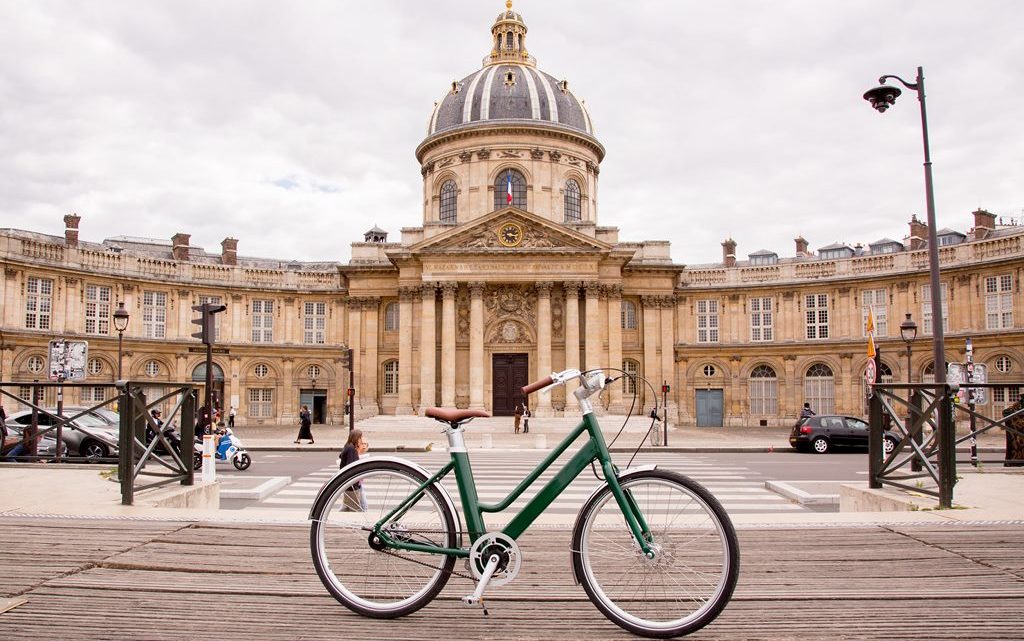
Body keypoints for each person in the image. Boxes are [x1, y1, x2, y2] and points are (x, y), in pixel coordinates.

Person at [339, 430, 369, 510]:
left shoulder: (349, 447)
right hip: (353, 484)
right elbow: (351, 466)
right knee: (361, 508)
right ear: (356, 438)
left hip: (352, 483)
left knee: (347, 507)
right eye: (360, 437)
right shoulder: (351, 449)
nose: (361, 439)